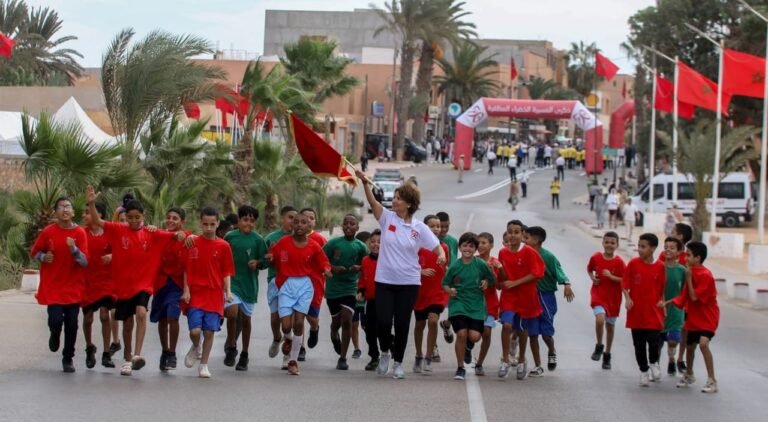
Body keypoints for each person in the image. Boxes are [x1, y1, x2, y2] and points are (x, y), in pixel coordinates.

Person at [85, 185, 187, 376]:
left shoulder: (151, 233)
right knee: (127, 323)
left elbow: (176, 235)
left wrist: (181, 235)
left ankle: (137, 355)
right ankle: (127, 356)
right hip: (123, 286)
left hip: (143, 285)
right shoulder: (118, 229)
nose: (133, 221)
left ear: (143, 216)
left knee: (141, 313)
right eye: (130, 217)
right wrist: (91, 203)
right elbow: (97, 221)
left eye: (137, 217)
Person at [356, 170, 445, 379]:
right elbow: (373, 202)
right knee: (383, 322)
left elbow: (436, 246)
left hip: (409, 283)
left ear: (409, 204)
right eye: (394, 197)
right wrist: (365, 183)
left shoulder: (419, 228)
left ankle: (398, 363)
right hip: (385, 281)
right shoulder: (387, 218)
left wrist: (441, 255)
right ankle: (385, 352)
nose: (394, 200)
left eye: (398, 198)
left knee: (403, 324)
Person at [269, 213, 332, 375]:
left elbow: (323, 261)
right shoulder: (284, 242)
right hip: (286, 285)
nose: (299, 225)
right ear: (292, 225)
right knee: (286, 326)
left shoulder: (314, 246)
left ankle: (293, 361)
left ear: (308, 226)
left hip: (304, 285)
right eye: (296, 222)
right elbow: (273, 254)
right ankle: (289, 339)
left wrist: (326, 269)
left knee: (298, 322)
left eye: (303, 222)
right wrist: (270, 256)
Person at [31, 197, 89, 373]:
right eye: (61, 207)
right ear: (55, 212)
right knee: (55, 320)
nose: (65, 210)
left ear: (73, 212)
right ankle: (55, 333)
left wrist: (74, 249)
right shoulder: (48, 231)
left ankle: (68, 358)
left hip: (73, 286)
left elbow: (85, 262)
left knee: (72, 324)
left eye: (68, 206)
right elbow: (34, 252)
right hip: (54, 286)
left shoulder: (79, 233)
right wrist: (44, 257)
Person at [181, 207, 234, 378]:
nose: (209, 228)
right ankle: (196, 346)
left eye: (212, 224)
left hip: (214, 294)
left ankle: (204, 365)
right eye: (205, 224)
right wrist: (186, 290)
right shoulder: (192, 243)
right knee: (195, 331)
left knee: (210, 331)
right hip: (196, 293)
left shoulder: (224, 246)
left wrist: (228, 291)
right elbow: (186, 269)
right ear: (200, 223)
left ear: (218, 223)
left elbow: (226, 271)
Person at [443, 232, 496, 380]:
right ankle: (460, 368)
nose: (467, 249)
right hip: (458, 304)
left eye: (471, 246)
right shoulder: (455, 266)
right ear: (460, 247)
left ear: (475, 249)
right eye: (465, 245)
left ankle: (468, 344)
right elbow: (445, 283)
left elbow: (491, 280)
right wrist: (450, 290)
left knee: (475, 337)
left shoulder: (481, 264)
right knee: (461, 334)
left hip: (476, 306)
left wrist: (486, 281)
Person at [668, 241, 720, 393]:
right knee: (690, 347)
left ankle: (712, 380)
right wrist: (666, 303)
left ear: (698, 258)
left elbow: (694, 297)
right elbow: (683, 296)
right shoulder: (690, 272)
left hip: (708, 317)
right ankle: (689, 374)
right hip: (694, 317)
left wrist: (689, 279)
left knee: (703, 344)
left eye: (689, 255)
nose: (685, 258)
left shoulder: (705, 275)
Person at [497, 220, 545, 380]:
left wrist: (515, 283)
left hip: (525, 297)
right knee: (507, 325)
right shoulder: (503, 253)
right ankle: (505, 360)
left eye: (516, 232)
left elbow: (537, 273)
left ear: (522, 234)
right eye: (510, 232)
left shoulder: (529, 252)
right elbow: (503, 276)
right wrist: (499, 274)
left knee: (522, 329)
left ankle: (522, 359)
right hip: (509, 296)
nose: (513, 235)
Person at [524, 226, 574, 377]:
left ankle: (551, 351)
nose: (524, 241)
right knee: (532, 334)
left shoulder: (548, 257)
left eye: (527, 238)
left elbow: (559, 271)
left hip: (546, 297)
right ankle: (538, 365)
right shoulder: (524, 255)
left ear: (536, 240)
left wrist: (566, 284)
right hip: (530, 298)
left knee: (546, 335)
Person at [223, 205, 267, 371]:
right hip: (232, 283)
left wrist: (258, 263)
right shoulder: (230, 237)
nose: (248, 223)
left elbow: (266, 260)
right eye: (245, 219)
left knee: (246, 320)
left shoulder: (258, 240)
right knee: (232, 313)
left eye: (252, 220)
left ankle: (245, 354)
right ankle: (231, 346)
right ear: (238, 220)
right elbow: (221, 255)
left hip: (249, 285)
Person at [323, 214, 369, 370]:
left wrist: (360, 268)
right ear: (342, 226)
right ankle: (333, 333)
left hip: (350, 288)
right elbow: (321, 260)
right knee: (336, 322)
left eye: (352, 224)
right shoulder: (333, 243)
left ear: (357, 228)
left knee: (347, 320)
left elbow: (369, 264)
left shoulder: (361, 246)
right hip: (333, 288)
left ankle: (342, 358)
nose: (349, 226)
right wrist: (333, 268)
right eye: (346, 223)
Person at [622, 233, 666, 387]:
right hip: (636, 312)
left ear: (653, 248)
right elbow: (625, 284)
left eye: (643, 247)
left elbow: (662, 288)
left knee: (654, 341)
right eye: (639, 246)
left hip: (653, 312)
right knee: (639, 345)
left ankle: (654, 362)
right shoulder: (633, 264)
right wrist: (628, 298)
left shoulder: (660, 266)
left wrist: (663, 304)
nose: (640, 249)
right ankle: (644, 371)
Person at [150, 207, 189, 372]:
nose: (171, 221)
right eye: (169, 217)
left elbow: (195, 239)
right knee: (162, 319)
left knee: (173, 316)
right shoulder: (160, 235)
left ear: (182, 222)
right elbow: (147, 234)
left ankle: (172, 353)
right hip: (161, 283)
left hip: (177, 284)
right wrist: (151, 228)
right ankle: (164, 351)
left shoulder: (186, 237)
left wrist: (186, 288)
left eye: (175, 218)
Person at [81, 202, 117, 369]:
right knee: (88, 317)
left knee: (104, 314)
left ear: (99, 214)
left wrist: (112, 256)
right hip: (88, 282)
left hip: (106, 281)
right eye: (84, 212)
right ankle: (89, 347)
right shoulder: (81, 233)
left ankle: (106, 352)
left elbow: (121, 250)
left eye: (88, 212)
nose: (85, 216)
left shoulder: (110, 232)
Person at [413, 215, 449, 374]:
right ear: (424, 228)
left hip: (437, 292)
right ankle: (418, 355)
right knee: (419, 325)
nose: (436, 229)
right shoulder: (417, 246)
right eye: (432, 226)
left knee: (433, 321)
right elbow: (407, 264)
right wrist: (421, 271)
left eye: (438, 226)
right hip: (420, 292)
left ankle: (429, 356)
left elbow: (446, 268)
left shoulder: (444, 247)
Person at [264, 206, 297, 369]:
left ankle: (287, 355)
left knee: (289, 320)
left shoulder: (300, 239)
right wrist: (266, 260)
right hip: (275, 281)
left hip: (294, 283)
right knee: (275, 318)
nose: (293, 221)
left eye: (296, 219)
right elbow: (263, 260)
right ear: (282, 218)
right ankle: (277, 338)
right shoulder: (271, 238)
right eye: (290, 217)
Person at [587, 232, 626, 369]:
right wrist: (593, 278)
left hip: (613, 298)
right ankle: (599, 345)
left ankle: (607, 354)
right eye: (607, 242)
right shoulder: (596, 257)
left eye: (612, 243)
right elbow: (589, 269)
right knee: (600, 319)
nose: (609, 245)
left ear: (617, 245)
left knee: (610, 326)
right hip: (598, 295)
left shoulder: (619, 262)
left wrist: (611, 277)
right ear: (603, 243)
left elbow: (625, 280)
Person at [301, 207, 328, 362]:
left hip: (315, 283)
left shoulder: (320, 239)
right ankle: (300, 348)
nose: (308, 220)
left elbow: (327, 261)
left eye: (311, 218)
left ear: (315, 221)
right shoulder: (294, 238)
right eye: (305, 217)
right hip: (297, 282)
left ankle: (314, 327)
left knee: (312, 316)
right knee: (298, 315)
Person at [474, 232, 502, 376]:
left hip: (490, 303)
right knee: (474, 336)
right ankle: (468, 347)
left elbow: (498, 286)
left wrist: (493, 273)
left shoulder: (495, 263)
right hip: (473, 303)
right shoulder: (472, 261)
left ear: (491, 245)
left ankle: (479, 363)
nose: (480, 246)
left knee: (486, 332)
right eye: (478, 243)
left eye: (484, 243)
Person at [658, 237, 686, 376]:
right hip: (658, 309)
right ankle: (655, 366)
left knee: (673, 340)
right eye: (666, 247)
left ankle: (671, 358)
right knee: (657, 342)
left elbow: (685, 292)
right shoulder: (658, 267)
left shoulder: (682, 270)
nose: (668, 250)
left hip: (676, 310)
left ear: (679, 252)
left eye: (672, 248)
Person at [358, 229, 381, 371]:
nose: (375, 244)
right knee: (369, 329)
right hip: (370, 300)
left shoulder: (388, 260)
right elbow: (363, 279)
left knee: (382, 327)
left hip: (385, 300)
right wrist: (361, 291)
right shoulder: (365, 260)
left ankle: (390, 344)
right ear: (368, 243)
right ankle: (374, 356)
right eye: (373, 242)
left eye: (379, 242)